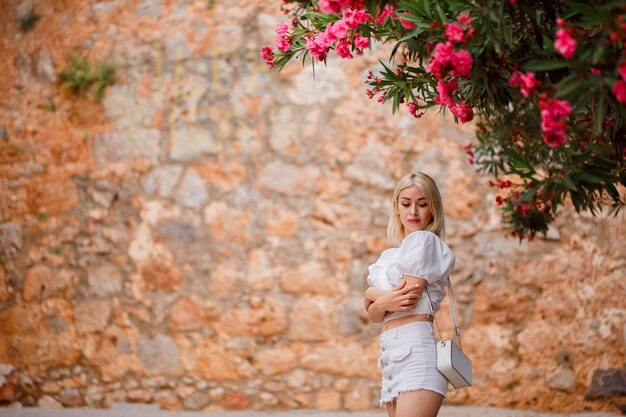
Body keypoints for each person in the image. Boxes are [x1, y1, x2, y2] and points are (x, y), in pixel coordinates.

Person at [363, 172, 455, 417]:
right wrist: (379, 301)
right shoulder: (390, 256)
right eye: (406, 204)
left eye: (422, 204)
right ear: (396, 207)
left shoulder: (424, 242)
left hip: (417, 355)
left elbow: (406, 299)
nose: (413, 211)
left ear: (433, 209)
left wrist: (372, 295)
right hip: (392, 359)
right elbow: (374, 315)